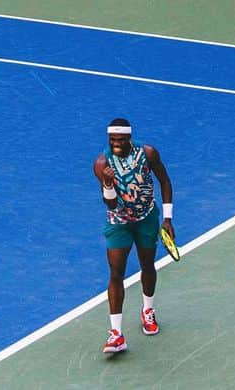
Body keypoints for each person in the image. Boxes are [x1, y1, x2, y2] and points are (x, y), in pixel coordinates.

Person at [94, 118, 174, 356]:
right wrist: (108, 184)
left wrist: (167, 219)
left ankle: (148, 310)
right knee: (116, 272)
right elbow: (110, 203)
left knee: (147, 265)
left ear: (129, 138)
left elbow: (165, 181)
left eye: (120, 139)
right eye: (112, 140)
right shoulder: (101, 163)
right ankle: (116, 334)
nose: (116, 144)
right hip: (119, 223)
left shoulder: (147, 153)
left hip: (147, 218)